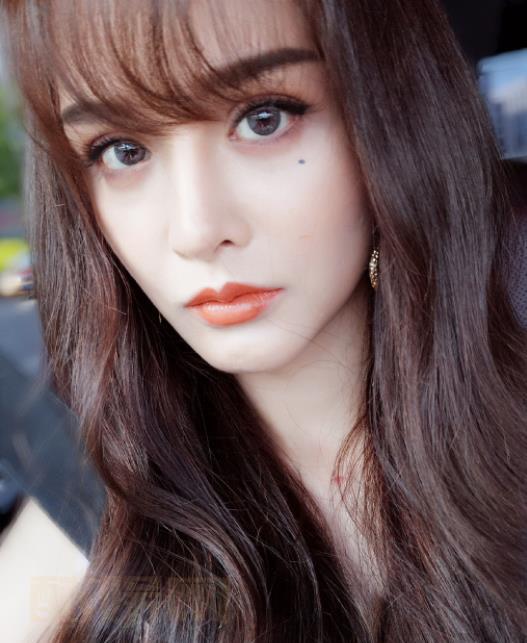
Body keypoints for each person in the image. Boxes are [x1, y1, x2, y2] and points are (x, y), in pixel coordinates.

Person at [1, 0, 527, 640]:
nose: (196, 229)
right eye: (124, 151)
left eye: (264, 119)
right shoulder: (92, 520)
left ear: (391, 112)